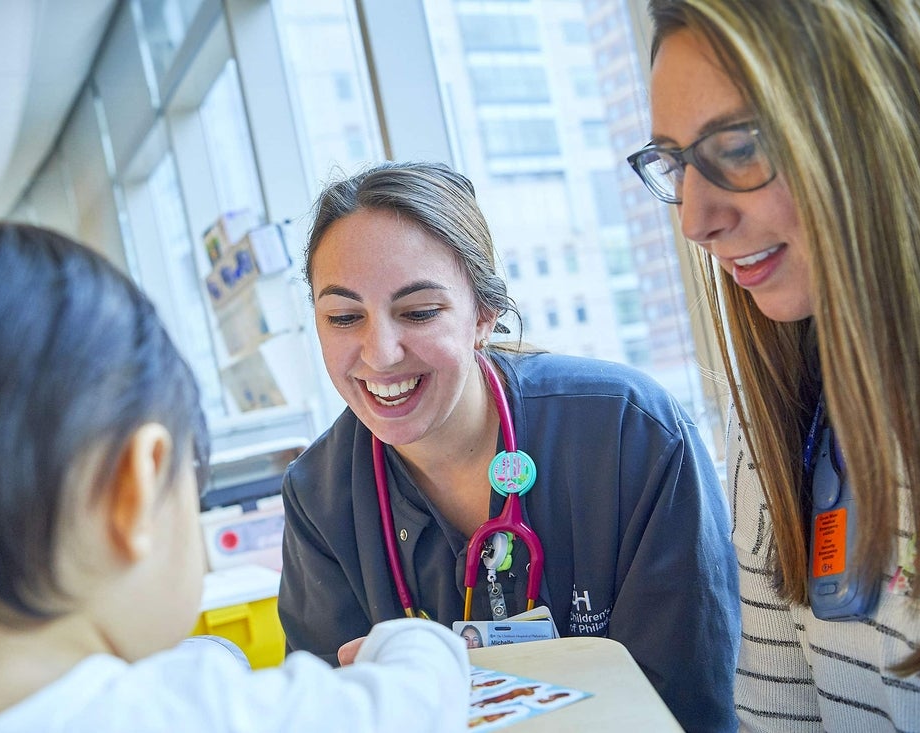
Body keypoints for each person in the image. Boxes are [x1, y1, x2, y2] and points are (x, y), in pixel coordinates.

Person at [0, 220, 469, 733]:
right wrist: (411, 640)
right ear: (134, 491)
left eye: (416, 312)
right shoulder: (195, 712)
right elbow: (418, 698)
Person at [278, 160, 740, 731]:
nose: (381, 353)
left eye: (419, 312)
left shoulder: (629, 435)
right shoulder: (318, 497)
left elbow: (690, 704)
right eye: (344, 317)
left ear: (485, 314)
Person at [628, 1, 920, 729]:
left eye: (737, 147)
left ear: (875, 123)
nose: (694, 220)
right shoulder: (773, 423)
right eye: (675, 163)